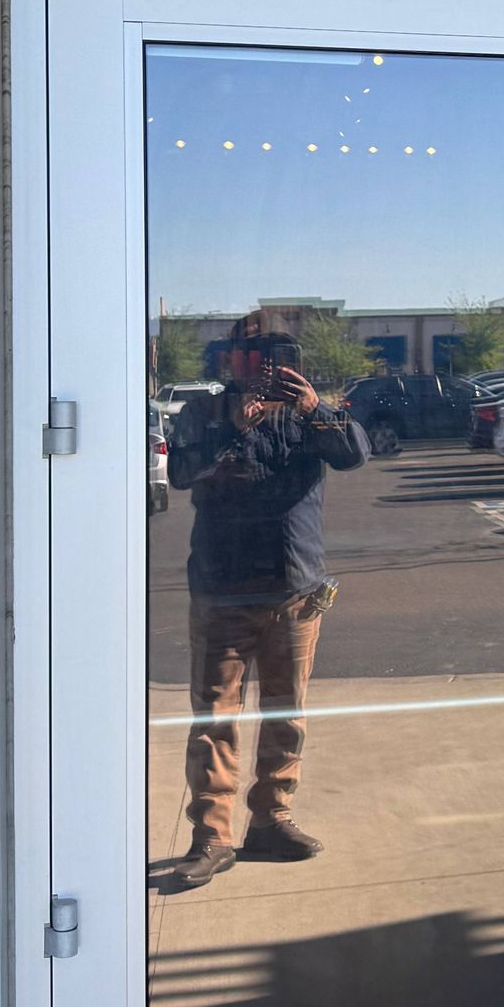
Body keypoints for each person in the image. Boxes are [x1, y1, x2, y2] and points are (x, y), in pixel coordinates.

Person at [165, 313, 369, 888]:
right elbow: (180, 473)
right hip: (222, 592)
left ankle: (272, 821)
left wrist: (314, 410)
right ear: (229, 360)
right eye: (250, 357)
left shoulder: (312, 414)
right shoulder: (203, 413)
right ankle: (211, 838)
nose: (262, 368)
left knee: (286, 716)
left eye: (275, 357)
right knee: (214, 721)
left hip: (294, 594)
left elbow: (355, 453)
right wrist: (231, 428)